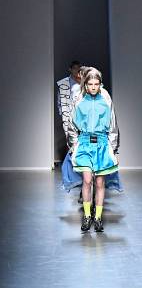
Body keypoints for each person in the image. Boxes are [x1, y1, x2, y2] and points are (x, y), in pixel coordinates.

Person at [68, 67, 120, 232]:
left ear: (100, 84)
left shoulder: (106, 99)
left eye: (96, 84)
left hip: (102, 144)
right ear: (85, 84)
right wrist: (74, 146)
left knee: (99, 182)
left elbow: (112, 125)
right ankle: (87, 216)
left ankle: (97, 217)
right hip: (84, 143)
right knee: (87, 180)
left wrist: (112, 148)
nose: (93, 87)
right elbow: (72, 126)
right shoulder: (79, 100)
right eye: (90, 83)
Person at [57, 61, 84, 192]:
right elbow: (60, 102)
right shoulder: (64, 84)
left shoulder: (86, 82)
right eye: (75, 68)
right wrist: (64, 117)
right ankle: (75, 178)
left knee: (82, 149)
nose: (77, 71)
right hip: (70, 119)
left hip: (84, 120)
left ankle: (83, 179)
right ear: (70, 69)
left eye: (79, 68)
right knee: (73, 148)